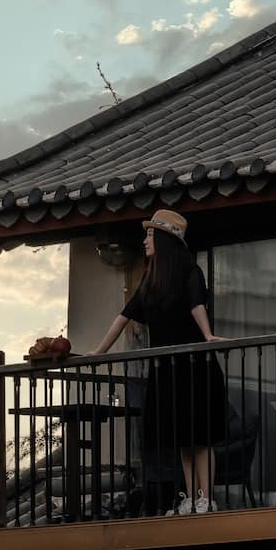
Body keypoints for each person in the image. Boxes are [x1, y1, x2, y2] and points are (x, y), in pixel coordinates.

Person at [87, 210, 228, 515]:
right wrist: (99, 352)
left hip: (196, 368)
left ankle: (206, 498)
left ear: (164, 239)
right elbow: (123, 316)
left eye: (150, 235)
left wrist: (207, 335)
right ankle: (191, 498)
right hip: (167, 371)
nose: (144, 241)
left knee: (200, 438)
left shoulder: (190, 272)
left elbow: (196, 305)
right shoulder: (151, 281)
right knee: (182, 440)